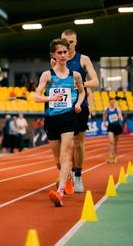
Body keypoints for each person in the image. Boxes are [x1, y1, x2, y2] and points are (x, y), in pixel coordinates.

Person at [33, 38, 85, 207]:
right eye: (60, 52)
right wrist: (50, 98)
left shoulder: (75, 75)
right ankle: (67, 177)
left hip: (69, 119)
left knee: (65, 155)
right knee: (57, 160)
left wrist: (77, 104)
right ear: (53, 55)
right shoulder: (47, 75)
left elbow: (83, 93)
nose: (63, 55)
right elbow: (36, 96)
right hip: (51, 119)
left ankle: (60, 191)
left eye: (65, 52)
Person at [58, 29, 99, 193]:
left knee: (78, 143)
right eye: (64, 41)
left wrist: (79, 84)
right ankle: (65, 176)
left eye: (71, 42)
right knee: (64, 146)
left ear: (76, 42)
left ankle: (78, 176)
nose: (68, 44)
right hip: (62, 106)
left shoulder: (83, 59)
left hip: (79, 106)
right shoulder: (57, 59)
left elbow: (95, 81)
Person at [102, 97, 123, 163]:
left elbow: (121, 117)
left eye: (113, 102)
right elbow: (104, 115)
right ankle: (110, 156)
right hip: (110, 126)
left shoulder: (117, 109)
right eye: (111, 102)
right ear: (109, 102)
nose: (112, 103)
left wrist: (119, 117)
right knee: (111, 141)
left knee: (116, 143)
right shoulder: (106, 109)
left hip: (117, 126)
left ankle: (114, 156)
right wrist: (104, 122)